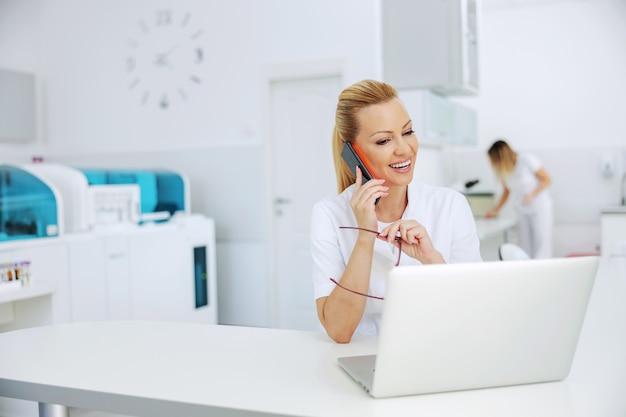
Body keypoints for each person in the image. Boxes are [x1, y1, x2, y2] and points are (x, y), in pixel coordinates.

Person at [310, 79, 482, 343]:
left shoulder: (450, 206)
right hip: (360, 358)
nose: (404, 149)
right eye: (384, 141)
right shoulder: (328, 215)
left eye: (408, 131)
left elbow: (476, 310)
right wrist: (365, 237)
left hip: (439, 349)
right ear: (351, 153)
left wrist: (432, 259)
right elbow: (338, 330)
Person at [485, 139, 553, 259]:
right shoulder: (505, 169)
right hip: (522, 209)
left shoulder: (527, 159)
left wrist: (532, 194)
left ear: (501, 156)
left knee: (542, 243)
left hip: (539, 207)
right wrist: (496, 210)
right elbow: (506, 191)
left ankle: (543, 271)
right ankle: (529, 272)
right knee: (525, 245)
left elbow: (547, 179)